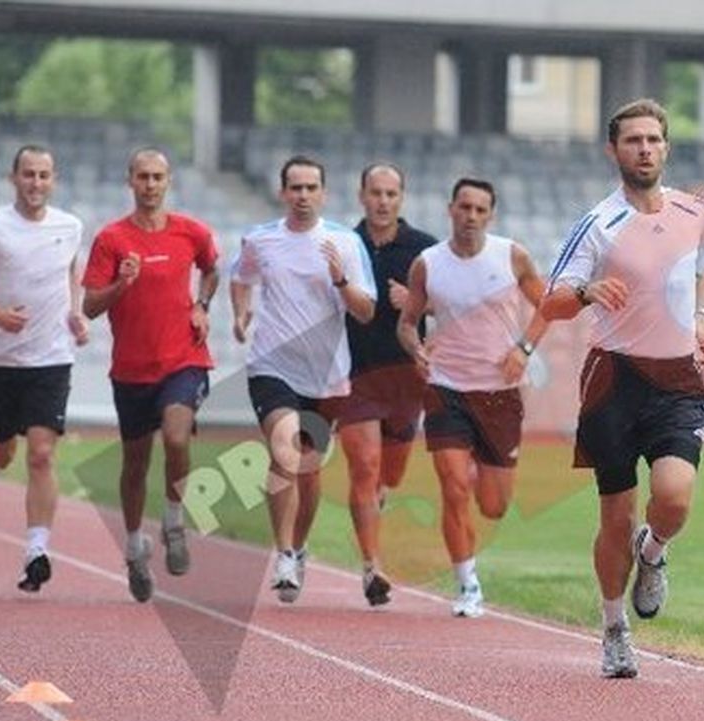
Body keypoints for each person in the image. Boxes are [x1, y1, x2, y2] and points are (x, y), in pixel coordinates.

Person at [540, 99, 704, 678]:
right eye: (632, 141)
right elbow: (551, 301)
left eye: (653, 140)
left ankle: (655, 552)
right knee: (614, 515)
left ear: (666, 147)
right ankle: (614, 627)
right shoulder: (597, 224)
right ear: (613, 151)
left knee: (674, 498)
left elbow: (697, 267)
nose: (644, 149)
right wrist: (589, 293)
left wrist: (702, 319)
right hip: (613, 379)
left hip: (675, 378)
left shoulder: (695, 211)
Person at [397, 177, 547, 618]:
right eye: (464, 207)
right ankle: (468, 585)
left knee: (493, 505)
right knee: (453, 487)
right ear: (450, 209)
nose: (471, 217)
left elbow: (548, 306)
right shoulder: (428, 264)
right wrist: (415, 349)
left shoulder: (512, 256)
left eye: (480, 210)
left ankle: (485, 466)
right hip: (446, 388)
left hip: (499, 394)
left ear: (491, 215)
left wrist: (523, 350)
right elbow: (407, 322)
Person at [230, 155, 376, 604]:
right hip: (272, 366)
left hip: (327, 377)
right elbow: (240, 276)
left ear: (324, 194)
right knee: (284, 449)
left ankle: (299, 545)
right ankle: (284, 553)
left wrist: (340, 280)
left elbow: (366, 311)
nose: (303, 195)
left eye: (311, 187)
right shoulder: (261, 240)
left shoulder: (345, 243)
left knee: (308, 471)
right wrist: (241, 313)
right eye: (295, 187)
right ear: (282, 192)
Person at [82, 147, 219, 603]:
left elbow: (212, 269)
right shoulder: (112, 239)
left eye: (158, 177)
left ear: (168, 181)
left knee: (178, 437)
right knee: (135, 462)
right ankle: (135, 546)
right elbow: (90, 306)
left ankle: (175, 521)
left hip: (183, 359)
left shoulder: (190, 231)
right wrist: (122, 284)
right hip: (132, 369)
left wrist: (202, 305)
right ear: (130, 181)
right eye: (143, 177)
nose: (151, 185)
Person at [0, 144, 88, 593]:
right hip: (2, 361)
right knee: (6, 449)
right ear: (14, 178)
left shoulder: (70, 226)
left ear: (54, 179)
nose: (36, 183)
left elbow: (70, 275)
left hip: (51, 358)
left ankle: (37, 551)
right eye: (28, 175)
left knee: (43, 454)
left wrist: (76, 314)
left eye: (44, 175)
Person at [339, 162, 438, 606]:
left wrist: (418, 303)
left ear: (402, 198)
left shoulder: (424, 251)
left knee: (388, 474)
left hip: (405, 379)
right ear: (362, 195)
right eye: (375, 192)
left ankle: (377, 500)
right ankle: (371, 567)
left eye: (390, 194)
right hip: (355, 376)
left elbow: (455, 306)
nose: (382, 201)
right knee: (363, 466)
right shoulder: (345, 245)